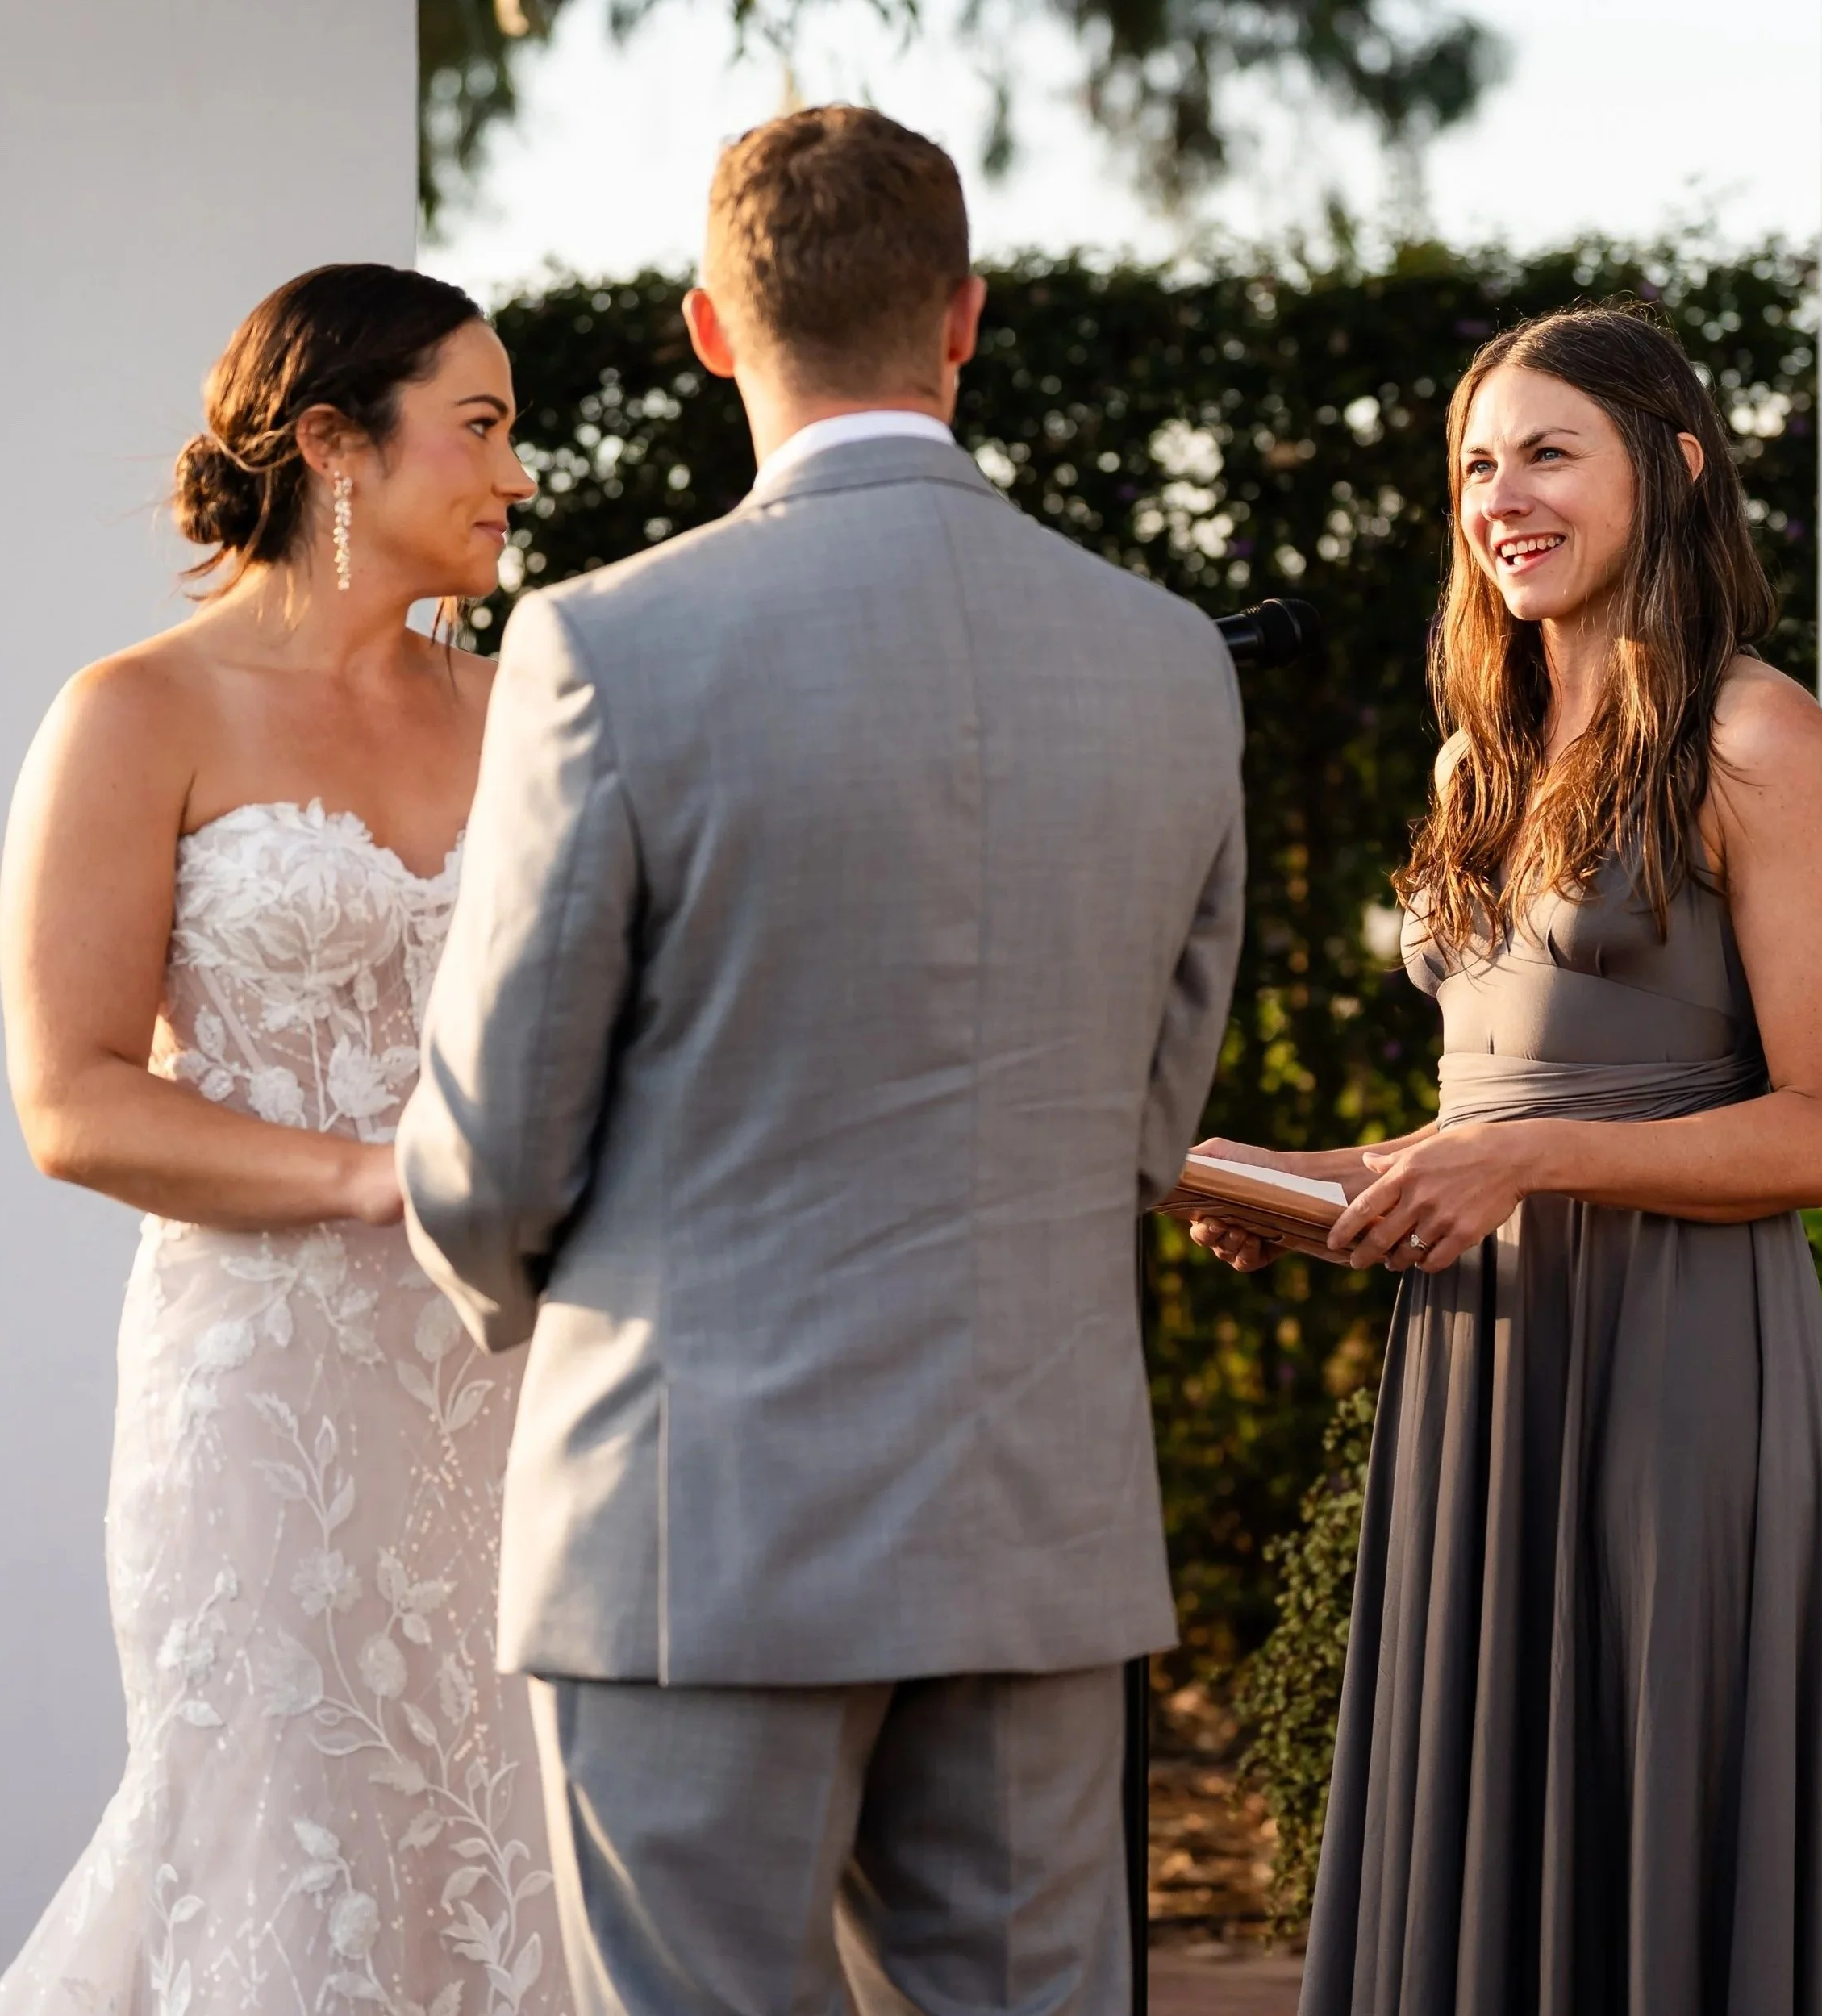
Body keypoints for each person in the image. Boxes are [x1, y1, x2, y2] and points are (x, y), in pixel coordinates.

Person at [396, 105, 1246, 2016]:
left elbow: (492, 1138)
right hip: (1029, 1512)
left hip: (695, 1519)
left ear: (707, 329)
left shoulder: (608, 643)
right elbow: (1146, 1122)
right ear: (963, 321)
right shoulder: (1166, 654)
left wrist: (507, 1288)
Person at [1195, 306, 1822, 2015]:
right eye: (1474, 464)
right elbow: (1479, 1118)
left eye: (1546, 451)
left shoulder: (1753, 739)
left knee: (1648, 1830)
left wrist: (1524, 1163)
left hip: (1675, 1380)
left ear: (1673, 466)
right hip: (1478, 1376)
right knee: (1482, 1838)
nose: (1499, 495)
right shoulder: (1471, 765)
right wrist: (1284, 1178)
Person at [0, 266, 565, 2014]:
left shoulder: (529, 710)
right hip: (262, 1399)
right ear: (330, 441)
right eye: (479, 427)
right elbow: (68, 1094)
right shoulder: (133, 713)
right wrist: (365, 1174)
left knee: (520, 1848)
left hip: (515, 1385)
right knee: (280, 1839)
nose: (514, 474)